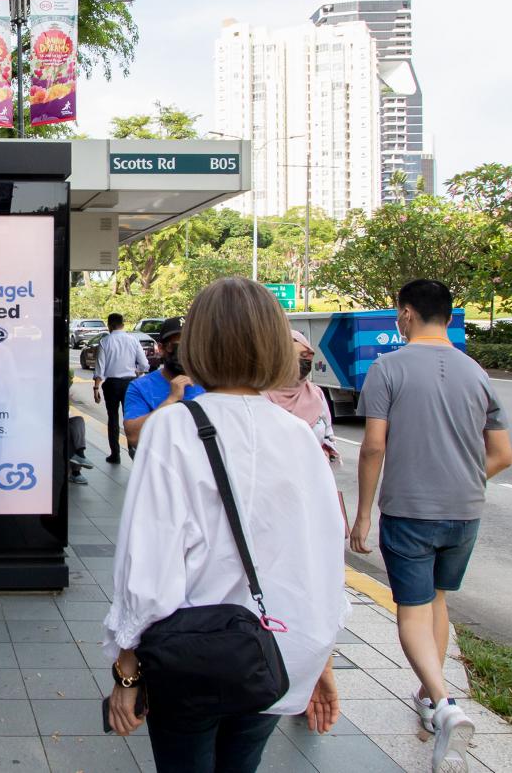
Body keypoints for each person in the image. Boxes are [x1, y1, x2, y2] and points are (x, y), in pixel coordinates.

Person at [103, 277, 349, 772]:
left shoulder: (174, 427)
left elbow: (149, 563)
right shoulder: (298, 435)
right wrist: (322, 658)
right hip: (276, 655)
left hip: (190, 655)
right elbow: (322, 558)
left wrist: (127, 669)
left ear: (198, 342)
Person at [349, 279, 512, 773]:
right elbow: (502, 455)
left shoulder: (388, 367)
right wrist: (462, 479)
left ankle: (444, 704)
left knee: (413, 610)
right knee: (439, 600)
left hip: (410, 512)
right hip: (465, 510)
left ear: (405, 314)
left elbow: (374, 445)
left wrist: (362, 515)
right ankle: (428, 693)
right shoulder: (476, 372)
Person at [264, 330, 346, 534]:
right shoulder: (261, 397)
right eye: (298, 357)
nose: (305, 363)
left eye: (307, 357)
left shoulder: (316, 394)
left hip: (315, 490)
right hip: (276, 497)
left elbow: (328, 437)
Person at [123, 316, 205, 449]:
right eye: (178, 345)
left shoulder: (210, 384)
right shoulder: (140, 388)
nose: (185, 351)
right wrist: (171, 400)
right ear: (161, 348)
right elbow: (134, 437)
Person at [93, 313, 148, 464]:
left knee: (113, 419)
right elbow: (144, 365)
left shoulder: (105, 342)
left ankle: (115, 454)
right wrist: (137, 371)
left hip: (111, 385)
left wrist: (96, 388)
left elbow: (100, 368)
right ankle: (133, 452)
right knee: (130, 418)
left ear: (109, 325)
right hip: (130, 384)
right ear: (123, 324)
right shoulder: (133, 340)